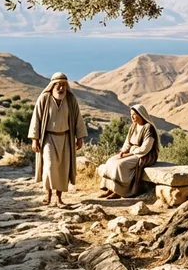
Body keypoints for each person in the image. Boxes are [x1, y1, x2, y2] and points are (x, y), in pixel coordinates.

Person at [29, 72, 87, 207]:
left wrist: (79, 137)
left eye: (64, 85)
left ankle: (59, 198)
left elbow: (78, 118)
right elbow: (36, 119)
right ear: (52, 85)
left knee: (63, 169)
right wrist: (34, 139)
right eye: (58, 85)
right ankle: (48, 196)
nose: (61, 88)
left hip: (66, 138)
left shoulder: (71, 99)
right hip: (48, 138)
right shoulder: (44, 98)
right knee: (49, 166)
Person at [97, 104, 159, 199]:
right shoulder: (133, 126)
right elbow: (127, 142)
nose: (132, 117)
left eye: (134, 114)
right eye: (131, 115)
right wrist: (123, 151)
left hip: (144, 155)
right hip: (132, 152)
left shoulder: (148, 128)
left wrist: (129, 154)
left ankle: (118, 191)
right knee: (110, 161)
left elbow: (145, 148)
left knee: (119, 165)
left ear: (141, 114)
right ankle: (110, 189)